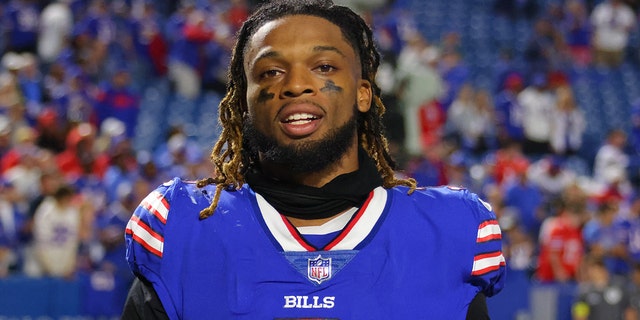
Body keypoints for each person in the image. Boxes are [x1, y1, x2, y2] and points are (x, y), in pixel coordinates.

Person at [122, 1, 506, 319]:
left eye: (324, 67)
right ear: (243, 102)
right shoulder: (182, 227)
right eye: (271, 71)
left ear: (363, 94)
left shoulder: (447, 231)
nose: (295, 84)